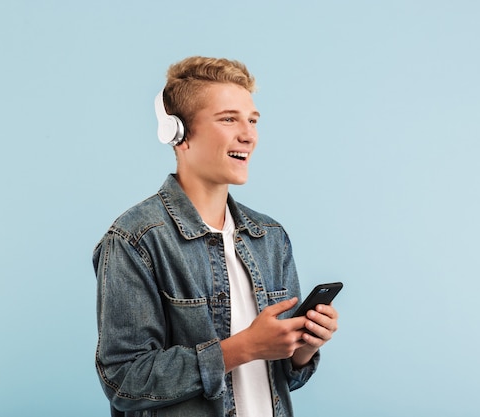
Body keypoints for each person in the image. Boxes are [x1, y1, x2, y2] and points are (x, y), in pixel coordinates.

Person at [92, 56, 339, 417]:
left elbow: (283, 377)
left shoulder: (270, 237)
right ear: (177, 133)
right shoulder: (135, 240)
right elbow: (124, 380)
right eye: (228, 119)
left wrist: (302, 347)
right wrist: (243, 347)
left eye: (252, 120)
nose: (248, 134)